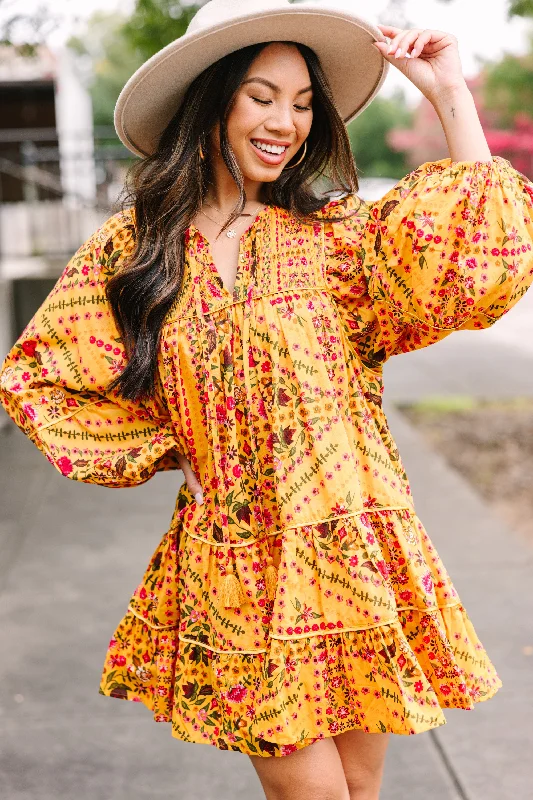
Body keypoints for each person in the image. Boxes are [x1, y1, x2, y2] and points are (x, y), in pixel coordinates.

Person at [1, 1, 533, 798]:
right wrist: (177, 447)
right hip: (239, 563)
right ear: (210, 98)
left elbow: (474, 258)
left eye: (302, 102)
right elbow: (41, 376)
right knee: (310, 791)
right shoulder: (137, 249)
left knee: (356, 788)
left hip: (354, 544)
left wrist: (448, 93)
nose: (284, 120)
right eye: (260, 95)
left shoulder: (334, 236)